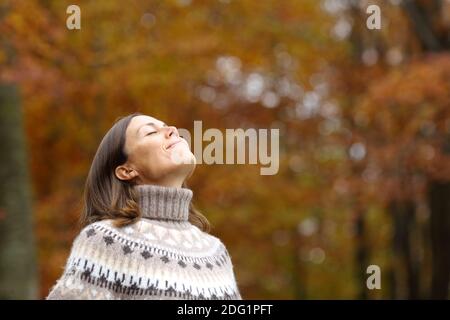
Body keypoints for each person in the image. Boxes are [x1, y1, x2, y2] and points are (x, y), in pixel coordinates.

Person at [46, 113, 242, 300]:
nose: (172, 130)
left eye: (167, 127)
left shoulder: (215, 253)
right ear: (126, 170)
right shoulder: (106, 241)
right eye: (151, 132)